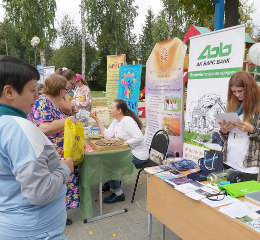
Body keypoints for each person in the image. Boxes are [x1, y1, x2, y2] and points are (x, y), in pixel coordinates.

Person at [0, 55, 73, 239]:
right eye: (32, 90)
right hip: (37, 231)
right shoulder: (17, 128)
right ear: (9, 91)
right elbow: (41, 191)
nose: (37, 96)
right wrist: (64, 168)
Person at [28, 74, 79, 225]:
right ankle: (54, 218)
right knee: (55, 183)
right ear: (59, 90)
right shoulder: (43, 102)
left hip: (57, 152)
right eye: (65, 89)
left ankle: (58, 214)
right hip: (52, 154)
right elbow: (44, 127)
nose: (66, 93)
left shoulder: (48, 101)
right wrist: (67, 120)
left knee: (61, 183)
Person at [91, 99, 149, 203]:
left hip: (138, 154)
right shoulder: (116, 121)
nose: (109, 110)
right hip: (126, 151)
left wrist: (124, 143)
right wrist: (96, 119)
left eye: (112, 108)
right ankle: (111, 182)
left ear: (119, 111)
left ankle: (118, 193)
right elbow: (108, 135)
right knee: (106, 157)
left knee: (112, 163)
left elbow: (139, 137)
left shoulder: (127, 121)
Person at [218, 71, 260, 182]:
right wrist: (224, 131)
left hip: (248, 166)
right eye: (234, 91)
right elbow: (225, 137)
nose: (237, 95)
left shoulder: (258, 107)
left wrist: (251, 129)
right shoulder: (234, 104)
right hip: (228, 161)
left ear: (250, 88)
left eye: (240, 91)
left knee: (244, 199)